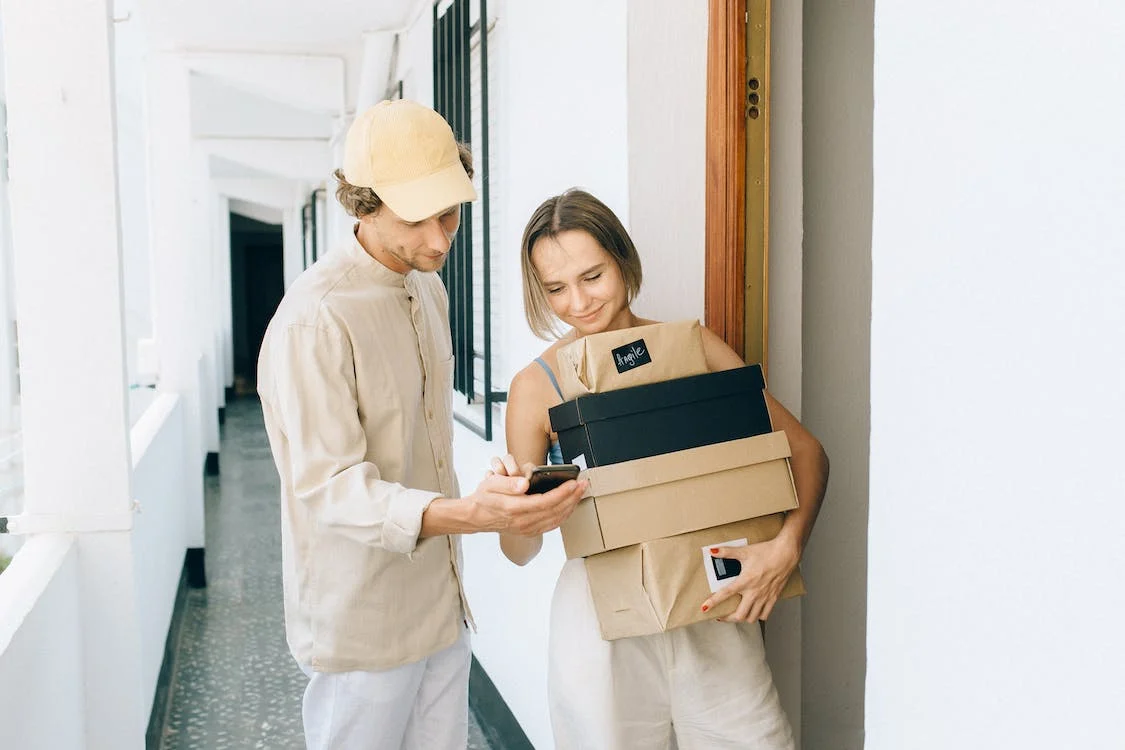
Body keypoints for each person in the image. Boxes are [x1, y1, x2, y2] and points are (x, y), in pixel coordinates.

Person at [256, 100, 586, 750]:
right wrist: (475, 515)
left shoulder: (425, 287)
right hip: (362, 622)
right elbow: (330, 489)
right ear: (362, 204)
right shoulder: (314, 321)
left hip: (442, 602)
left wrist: (498, 499)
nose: (439, 239)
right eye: (416, 219)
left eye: (449, 214)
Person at [497, 188, 830, 749]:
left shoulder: (691, 349)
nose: (577, 302)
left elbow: (805, 450)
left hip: (709, 604)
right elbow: (518, 551)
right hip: (600, 625)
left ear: (623, 261)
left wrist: (786, 548)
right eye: (555, 288)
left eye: (592, 276)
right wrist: (518, 513)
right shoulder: (535, 387)